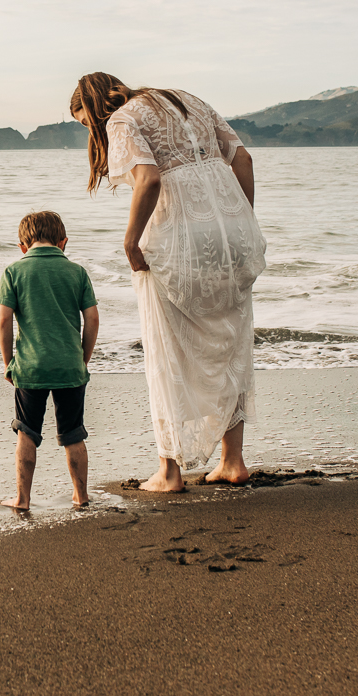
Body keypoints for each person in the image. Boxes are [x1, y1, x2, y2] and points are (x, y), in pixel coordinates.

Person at [70, 72, 265, 493]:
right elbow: (244, 160)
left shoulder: (122, 118)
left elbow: (150, 178)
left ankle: (170, 471)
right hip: (232, 228)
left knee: (167, 347)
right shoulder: (186, 98)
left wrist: (130, 239)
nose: (93, 132)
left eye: (87, 123)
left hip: (178, 234)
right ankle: (233, 461)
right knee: (232, 341)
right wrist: (238, 220)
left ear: (96, 104)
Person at [0, 210, 100, 512]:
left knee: (27, 433)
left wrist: (8, 363)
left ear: (23, 247)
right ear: (63, 242)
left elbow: (4, 320)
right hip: (69, 366)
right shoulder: (77, 273)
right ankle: (81, 496)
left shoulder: (14, 272)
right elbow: (92, 318)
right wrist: (83, 359)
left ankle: (23, 499)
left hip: (30, 367)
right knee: (73, 434)